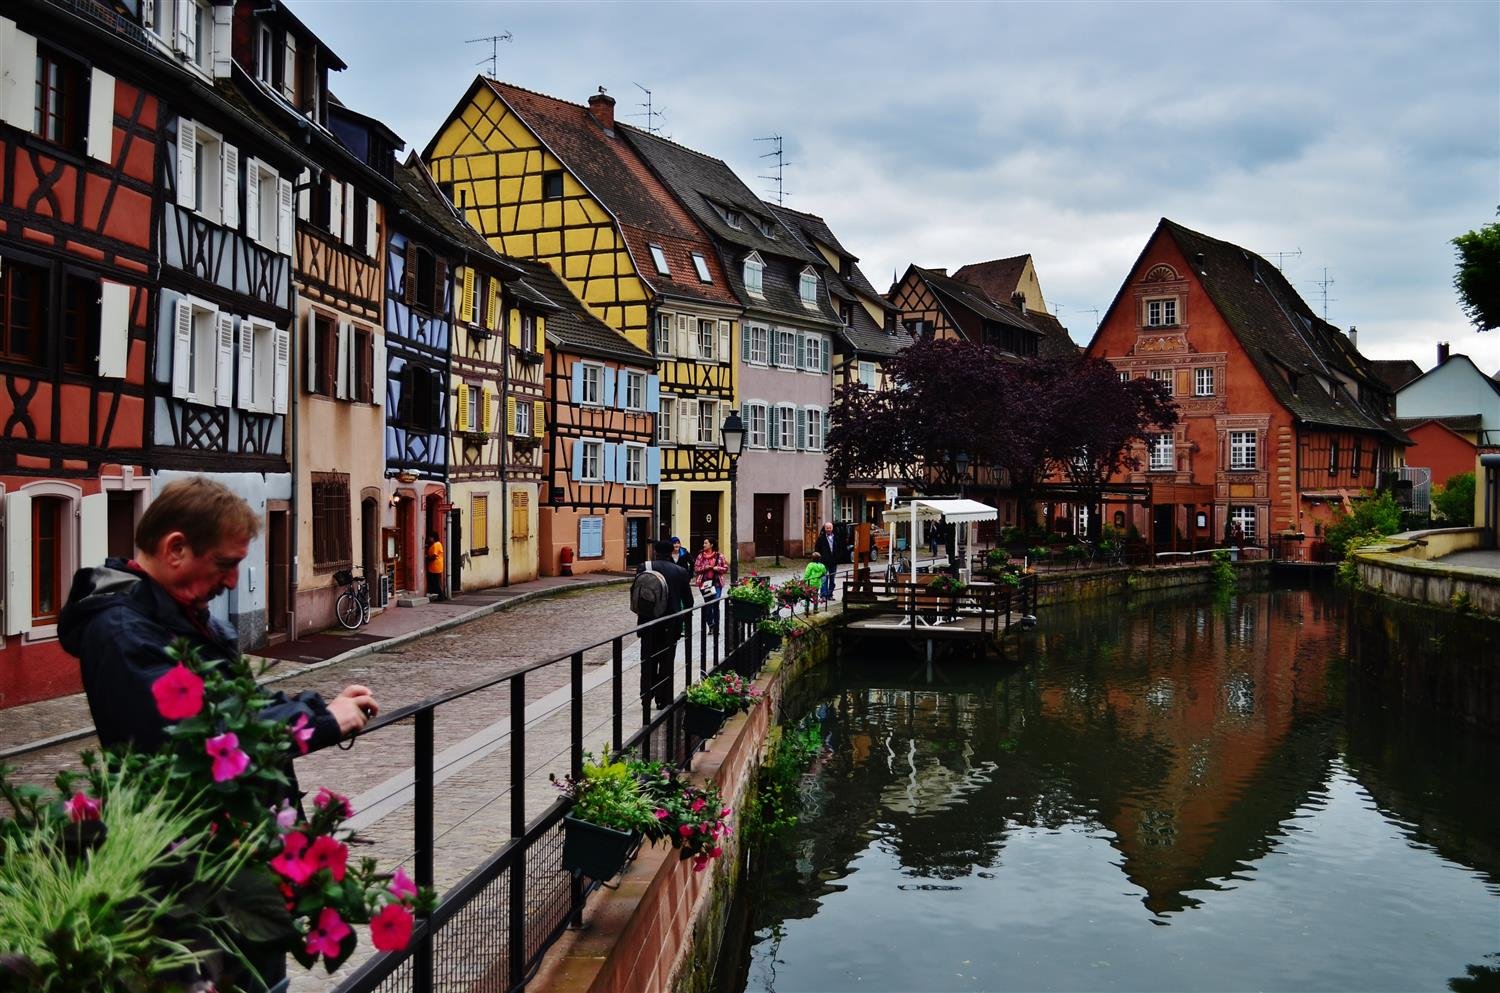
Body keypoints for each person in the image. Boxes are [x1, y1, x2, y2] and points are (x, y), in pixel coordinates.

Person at [58, 476, 378, 756]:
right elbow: (204, 743)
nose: (232, 581)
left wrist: (320, 709)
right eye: (224, 564)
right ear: (175, 550)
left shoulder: (181, 615)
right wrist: (324, 723)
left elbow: (241, 704)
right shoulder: (123, 633)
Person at [634, 539, 692, 709]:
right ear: (671, 552)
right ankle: (663, 698)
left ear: (655, 551)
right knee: (667, 661)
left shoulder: (644, 567)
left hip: (648, 622)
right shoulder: (680, 571)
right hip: (670, 624)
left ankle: (646, 696)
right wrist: (685, 623)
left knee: (647, 660)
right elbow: (688, 601)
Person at [693, 537, 729, 634]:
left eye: (706, 543)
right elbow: (696, 569)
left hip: (716, 583)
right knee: (708, 605)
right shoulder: (700, 556)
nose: (704, 545)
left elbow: (725, 568)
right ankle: (711, 625)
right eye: (704, 543)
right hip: (705, 584)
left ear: (711, 545)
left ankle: (716, 627)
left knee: (715, 603)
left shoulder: (719, 556)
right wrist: (705, 567)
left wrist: (717, 568)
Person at [814, 521, 842, 601]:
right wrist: (818, 559)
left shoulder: (836, 537)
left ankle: (830, 594)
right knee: (824, 579)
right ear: (825, 529)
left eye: (830, 528)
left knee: (832, 579)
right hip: (824, 562)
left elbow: (840, 548)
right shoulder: (821, 538)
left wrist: (838, 557)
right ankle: (823, 595)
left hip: (833, 561)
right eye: (827, 528)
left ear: (832, 528)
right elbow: (817, 549)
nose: (829, 529)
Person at [426, 530, 445, 601]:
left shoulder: (436, 545)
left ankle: (441, 596)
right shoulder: (438, 544)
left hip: (435, 566)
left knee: (435, 582)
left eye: (430, 537)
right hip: (436, 566)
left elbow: (434, 556)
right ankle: (440, 595)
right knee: (435, 581)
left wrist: (427, 559)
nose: (429, 539)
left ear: (433, 538)